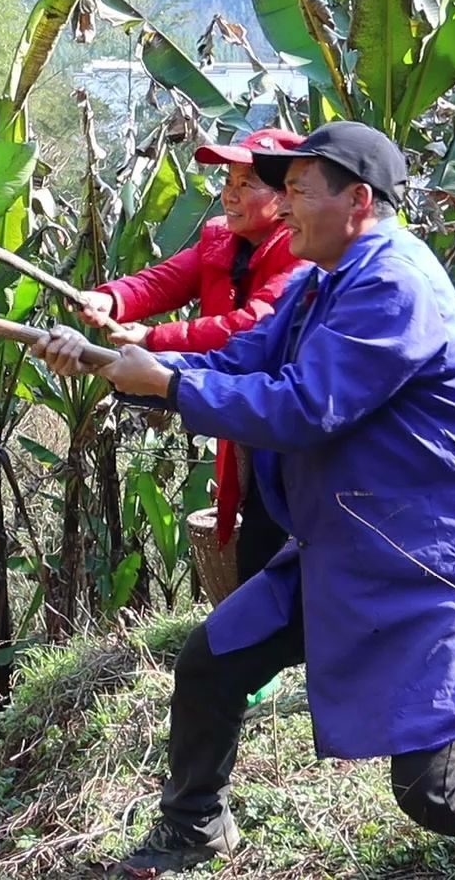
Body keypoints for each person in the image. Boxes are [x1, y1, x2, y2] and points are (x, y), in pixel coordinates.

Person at [34, 121, 455, 877]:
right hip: (349, 544)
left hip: (433, 558)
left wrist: (164, 381)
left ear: (358, 200)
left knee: (441, 791)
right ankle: (195, 827)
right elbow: (239, 360)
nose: (283, 207)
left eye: (297, 191)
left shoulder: (395, 281)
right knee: (213, 661)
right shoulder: (320, 281)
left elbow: (304, 406)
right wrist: (112, 362)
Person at [78, 127, 306, 585]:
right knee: (257, 534)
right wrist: (111, 299)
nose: (231, 196)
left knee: (283, 530)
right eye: (229, 183)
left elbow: (253, 325)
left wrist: (152, 340)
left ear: (287, 196)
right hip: (240, 411)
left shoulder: (301, 249)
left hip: (285, 417)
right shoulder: (222, 240)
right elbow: (163, 281)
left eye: (247, 184)